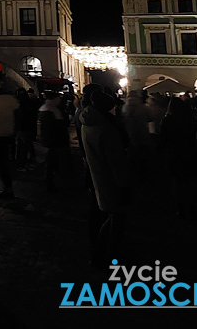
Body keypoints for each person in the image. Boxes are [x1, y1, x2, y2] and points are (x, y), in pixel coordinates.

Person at [80, 90, 131, 264]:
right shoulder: (106, 130)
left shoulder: (87, 124)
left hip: (98, 175)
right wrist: (124, 184)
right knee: (116, 218)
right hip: (110, 179)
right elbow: (116, 162)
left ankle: (101, 252)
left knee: (110, 217)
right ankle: (106, 254)